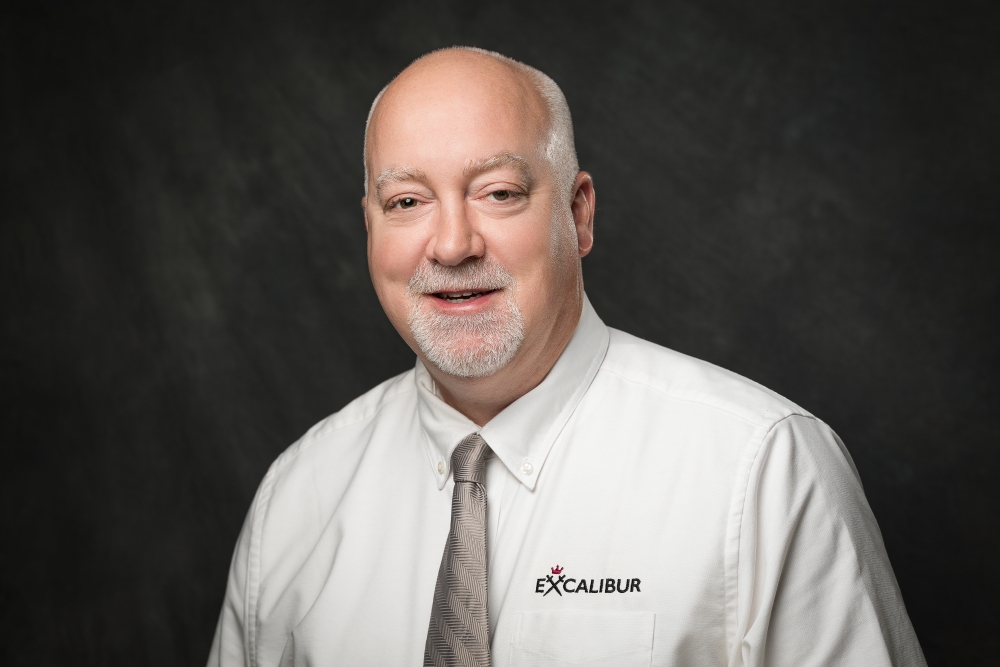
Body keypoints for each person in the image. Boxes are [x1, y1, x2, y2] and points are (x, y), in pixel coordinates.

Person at [207, 47, 926, 667]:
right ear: (369, 225)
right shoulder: (296, 499)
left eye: (498, 193)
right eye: (406, 202)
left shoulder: (762, 469)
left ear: (578, 214)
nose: (452, 245)